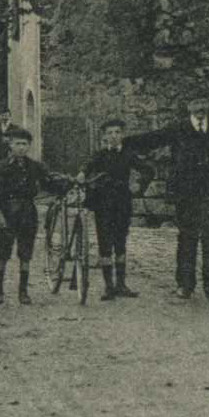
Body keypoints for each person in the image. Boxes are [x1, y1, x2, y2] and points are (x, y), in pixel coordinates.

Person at [125, 96, 209, 300]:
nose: (200, 107)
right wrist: (125, 142)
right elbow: (154, 139)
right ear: (189, 107)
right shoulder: (178, 128)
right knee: (187, 238)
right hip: (186, 194)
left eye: (203, 103)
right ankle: (185, 285)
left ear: (208, 105)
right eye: (195, 104)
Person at [0, 125, 61, 305]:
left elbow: (48, 181)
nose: (21, 147)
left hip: (28, 212)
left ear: (29, 146)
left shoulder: (34, 166)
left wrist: (62, 186)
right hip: (8, 211)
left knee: (26, 252)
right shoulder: (3, 167)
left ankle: (23, 291)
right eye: (17, 144)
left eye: (25, 144)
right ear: (10, 146)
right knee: (3, 252)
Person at [82, 119, 148, 300]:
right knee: (105, 243)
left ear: (122, 135)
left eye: (117, 132)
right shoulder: (100, 155)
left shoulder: (129, 155)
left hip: (122, 204)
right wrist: (81, 174)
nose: (113, 136)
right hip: (103, 204)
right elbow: (86, 168)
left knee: (120, 242)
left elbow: (148, 170)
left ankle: (121, 284)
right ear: (104, 136)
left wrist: (139, 187)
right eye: (110, 133)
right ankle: (108, 286)